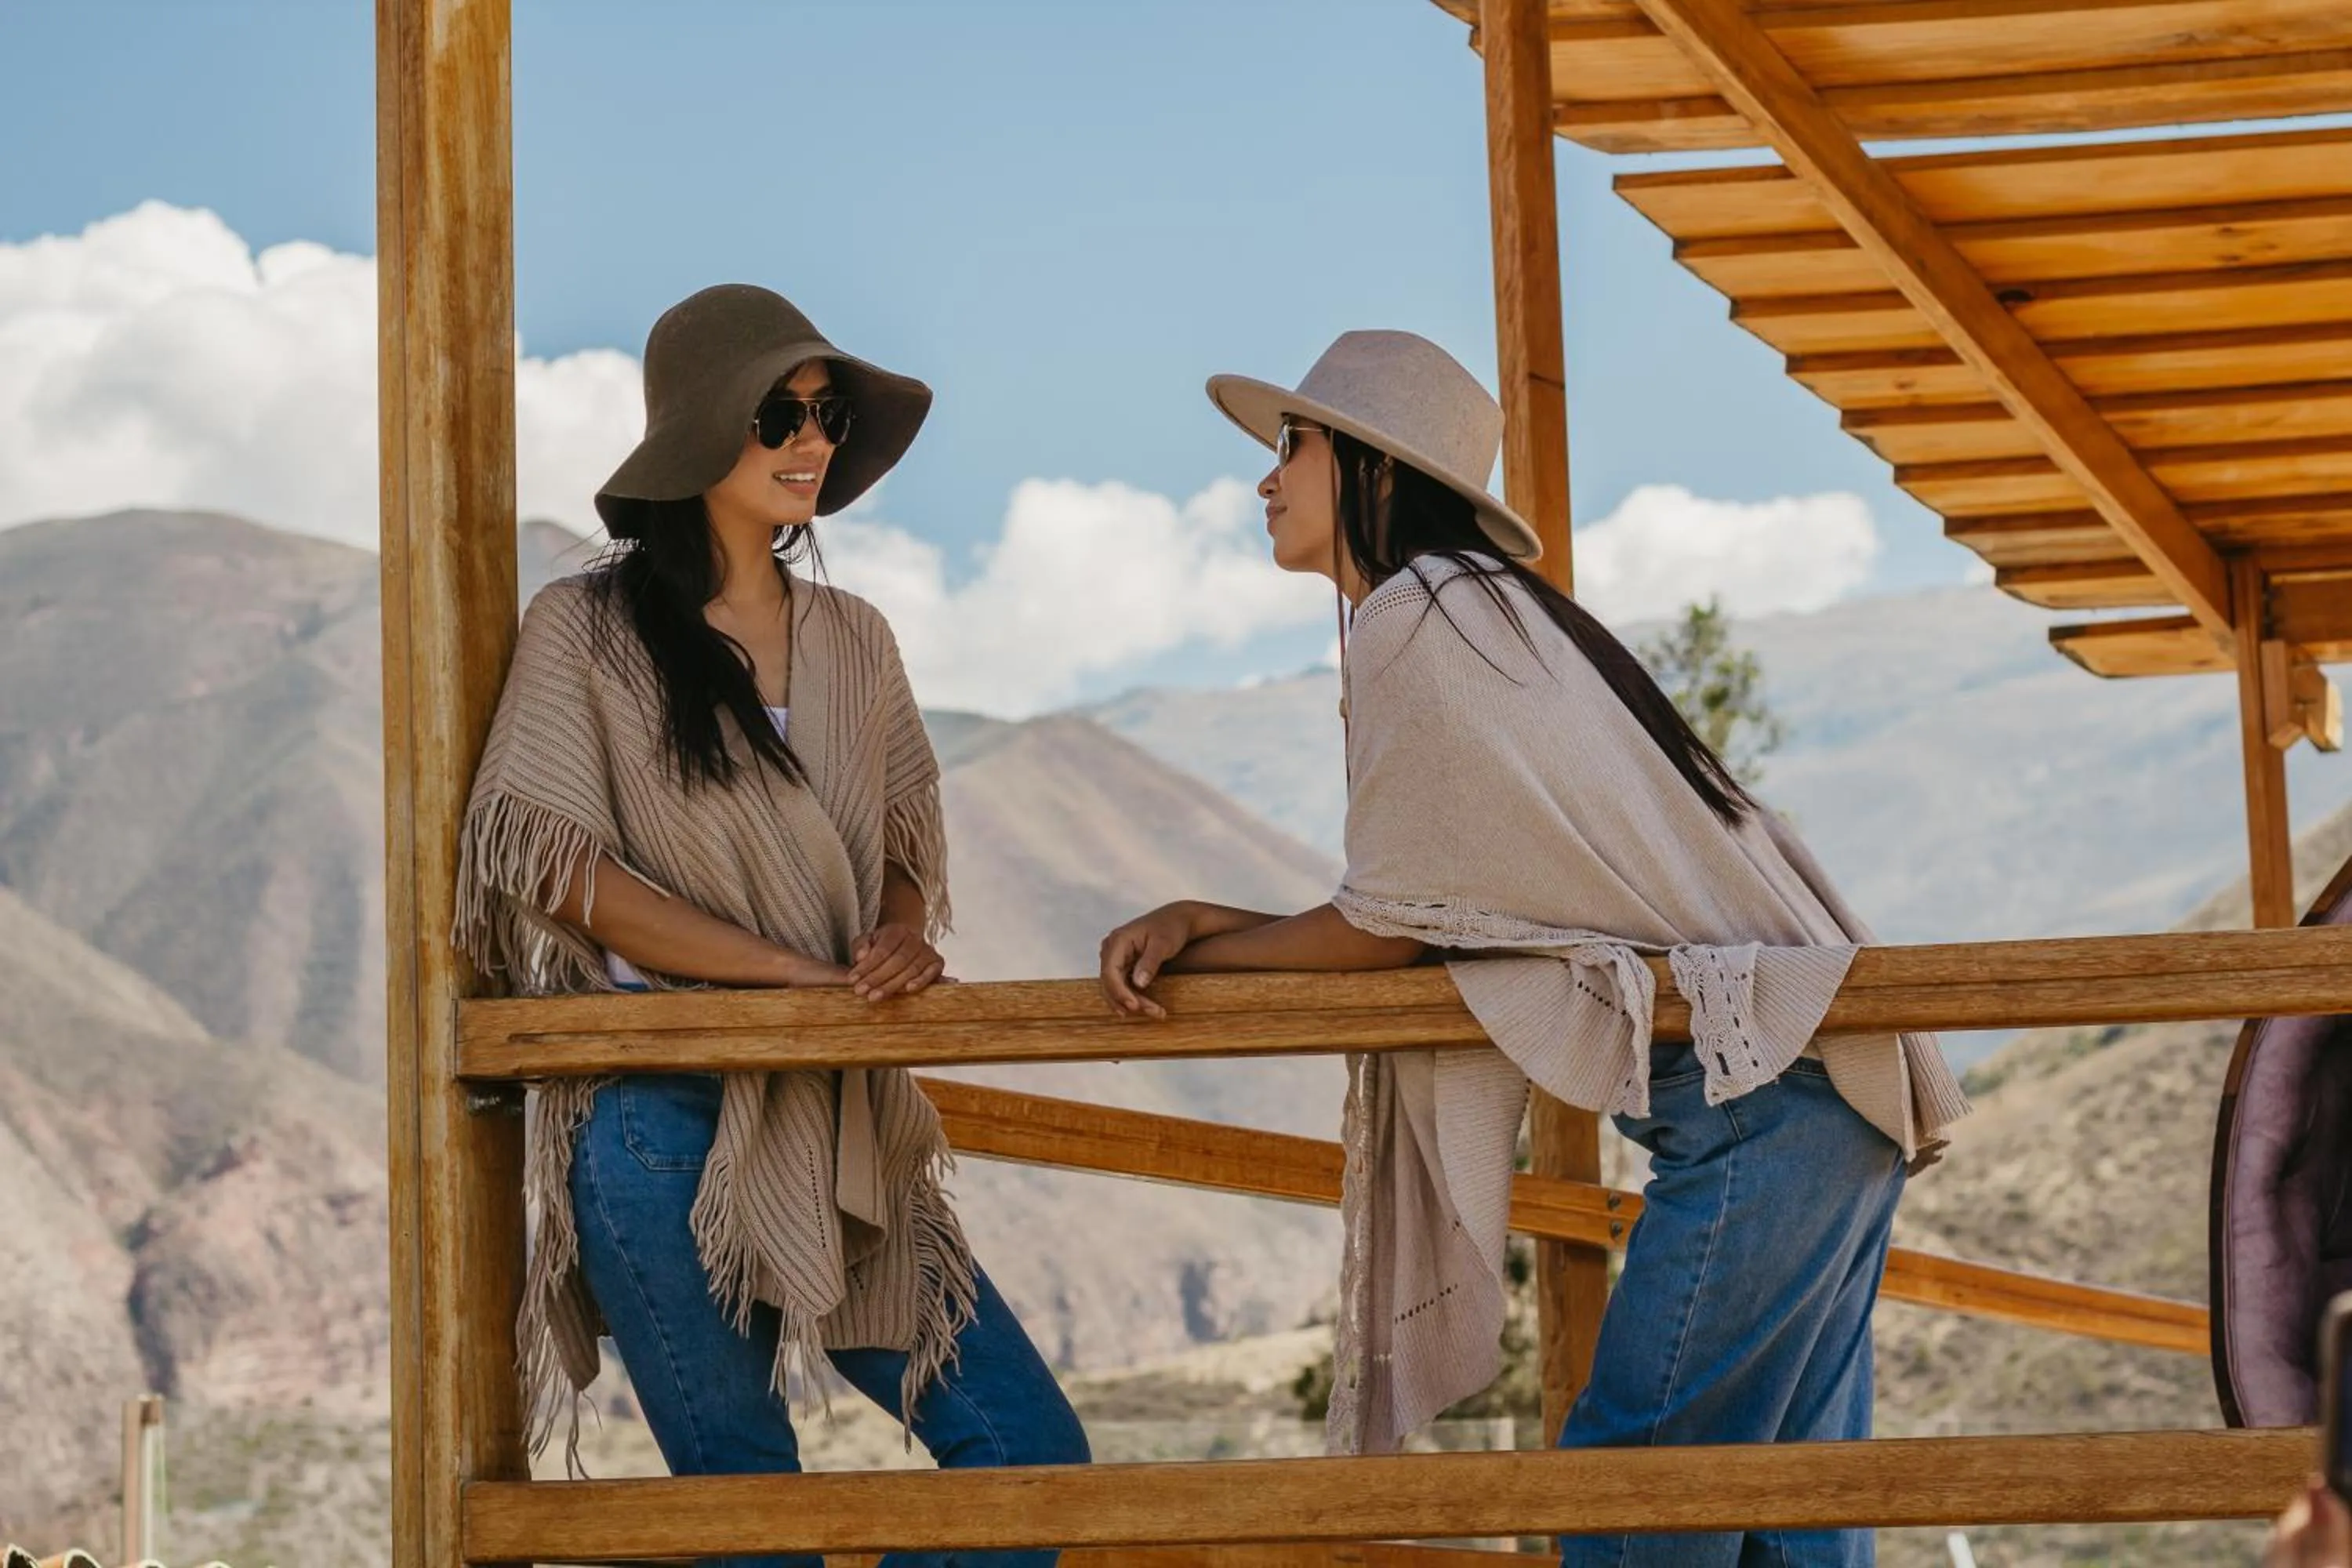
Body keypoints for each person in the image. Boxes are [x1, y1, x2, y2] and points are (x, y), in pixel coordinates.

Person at [1096, 330, 1969, 1567]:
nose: (1265, 476)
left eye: (1292, 442)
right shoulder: (1492, 613)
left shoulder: (1417, 619)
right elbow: (1426, 907)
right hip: (1824, 1087)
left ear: (1371, 468)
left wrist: (1200, 948)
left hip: (1765, 1105)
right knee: (1789, 1516)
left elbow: (1386, 931)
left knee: (1630, 1499)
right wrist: (1212, 921)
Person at [456, 284, 1087, 1568]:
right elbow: (553, 865)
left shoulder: (859, 640)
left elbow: (902, 846)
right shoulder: (585, 631)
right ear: (699, 433)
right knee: (748, 1516)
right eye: (780, 414)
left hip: (835, 1106)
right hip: (650, 1115)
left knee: (1030, 1458)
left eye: (827, 413)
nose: (812, 440)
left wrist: (898, 938)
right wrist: (781, 978)